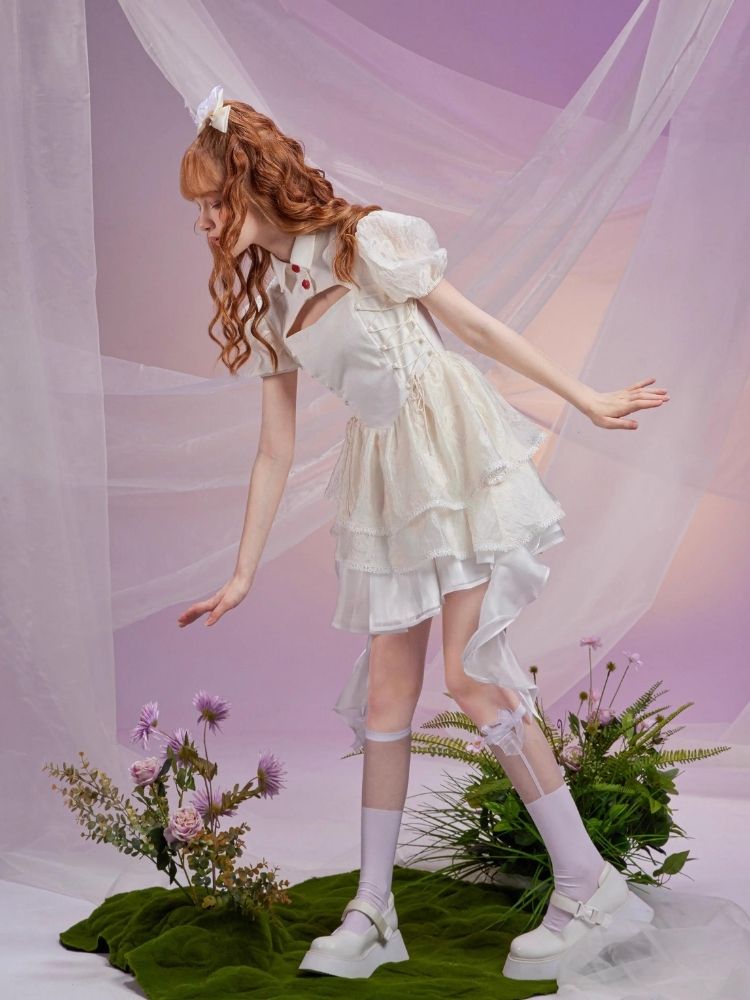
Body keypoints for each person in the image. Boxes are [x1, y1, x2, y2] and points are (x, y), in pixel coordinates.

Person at [176, 86, 669, 981]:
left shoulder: (365, 239)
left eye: (216, 201)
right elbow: (273, 449)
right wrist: (242, 573)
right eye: (198, 208)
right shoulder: (269, 304)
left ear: (254, 182)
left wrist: (584, 398)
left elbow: (473, 324)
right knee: (386, 703)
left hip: (449, 455)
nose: (206, 222)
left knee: (472, 673)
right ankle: (374, 912)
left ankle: (588, 884)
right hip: (384, 483)